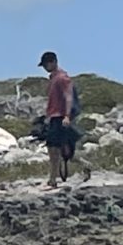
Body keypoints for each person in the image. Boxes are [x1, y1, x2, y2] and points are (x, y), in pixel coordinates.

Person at [38, 51, 74, 189]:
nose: (45, 68)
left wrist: (67, 116)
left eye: (46, 64)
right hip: (53, 117)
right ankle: (53, 178)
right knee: (54, 149)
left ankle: (53, 179)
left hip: (60, 117)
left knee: (57, 149)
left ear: (53, 62)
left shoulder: (62, 78)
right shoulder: (53, 78)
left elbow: (69, 97)